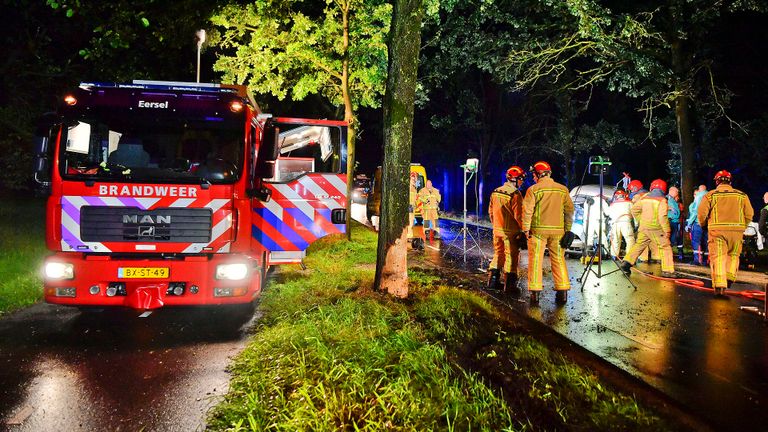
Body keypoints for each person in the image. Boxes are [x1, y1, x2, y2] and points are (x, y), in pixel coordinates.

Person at [522, 161, 574, 304]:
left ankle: (535, 294)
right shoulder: (563, 190)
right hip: (558, 232)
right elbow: (569, 211)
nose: (533, 177)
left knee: (536, 260)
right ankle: (562, 293)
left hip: (537, 231)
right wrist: (568, 229)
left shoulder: (533, 190)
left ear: (539, 174)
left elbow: (527, 211)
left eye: (534, 174)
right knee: (558, 260)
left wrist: (525, 230)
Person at [697, 170, 754, 296]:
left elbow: (701, 213)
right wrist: (742, 226)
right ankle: (729, 278)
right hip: (737, 232)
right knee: (733, 255)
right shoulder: (742, 195)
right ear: (730, 181)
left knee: (718, 257)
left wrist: (704, 225)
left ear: (717, 181)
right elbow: (749, 214)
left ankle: (720, 286)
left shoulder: (711, 195)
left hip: (717, 232)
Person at [620, 179, 675, 277]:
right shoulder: (662, 200)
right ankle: (668, 271)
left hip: (644, 228)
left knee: (639, 245)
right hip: (656, 228)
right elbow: (662, 217)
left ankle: (626, 263)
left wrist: (641, 220)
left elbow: (634, 210)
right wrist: (667, 230)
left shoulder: (645, 198)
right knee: (665, 247)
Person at [487, 166, 525, 293]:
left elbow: (490, 212)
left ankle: (493, 281)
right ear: (514, 179)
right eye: (520, 179)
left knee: (498, 254)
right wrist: (524, 230)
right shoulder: (515, 194)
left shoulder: (495, 191)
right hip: (511, 233)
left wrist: (495, 225)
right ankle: (509, 286)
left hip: (497, 230)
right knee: (511, 257)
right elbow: (519, 216)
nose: (522, 182)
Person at [607, 189, 635, 259]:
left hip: (615, 224)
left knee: (615, 240)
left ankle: (614, 256)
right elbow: (634, 215)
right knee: (630, 240)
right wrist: (636, 224)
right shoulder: (629, 203)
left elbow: (609, 214)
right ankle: (628, 257)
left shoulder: (613, 204)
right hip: (626, 223)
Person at [685, 188, 708, 265]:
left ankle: (697, 260)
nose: (696, 196)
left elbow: (694, 214)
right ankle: (705, 260)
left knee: (696, 242)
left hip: (697, 223)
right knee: (705, 242)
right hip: (706, 225)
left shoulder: (695, 202)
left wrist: (689, 224)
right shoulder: (708, 198)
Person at [418, 179, 442, 244]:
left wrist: (437, 202)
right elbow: (419, 198)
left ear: (431, 184)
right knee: (426, 222)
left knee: (436, 222)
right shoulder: (422, 190)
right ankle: (427, 234)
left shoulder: (436, 190)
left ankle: (437, 233)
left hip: (434, 210)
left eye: (429, 184)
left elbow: (439, 199)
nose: (428, 185)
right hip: (426, 209)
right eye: (427, 184)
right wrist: (425, 200)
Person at [408, 172, 425, 249]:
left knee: (411, 222)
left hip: (412, 206)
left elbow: (416, 199)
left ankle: (408, 235)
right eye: (413, 178)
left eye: (416, 178)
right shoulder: (410, 187)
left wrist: (420, 207)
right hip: (409, 206)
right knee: (410, 221)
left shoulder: (414, 187)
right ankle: (408, 236)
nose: (415, 179)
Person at [667, 186, 684, 260]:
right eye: (676, 192)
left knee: (674, 238)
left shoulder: (672, 200)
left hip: (675, 221)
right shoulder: (667, 199)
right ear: (672, 191)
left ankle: (670, 255)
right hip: (671, 221)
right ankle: (668, 255)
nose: (677, 194)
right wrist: (669, 208)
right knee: (671, 238)